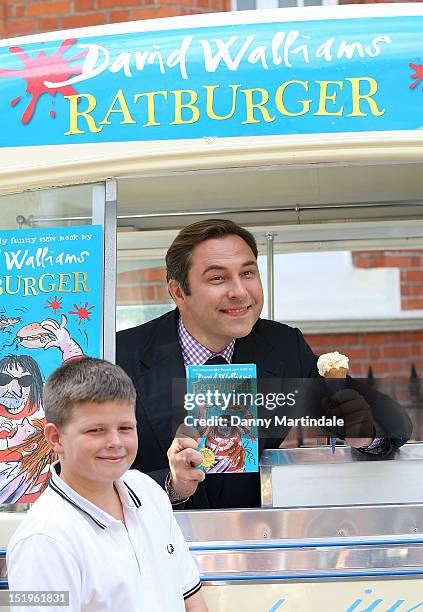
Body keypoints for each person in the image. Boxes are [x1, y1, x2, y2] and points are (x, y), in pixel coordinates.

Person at [116, 219, 412, 510]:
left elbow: (394, 422)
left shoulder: (282, 346)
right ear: (178, 292)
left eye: (247, 273)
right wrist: (171, 484)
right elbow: (80, 469)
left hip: (249, 542)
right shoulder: (122, 354)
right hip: (150, 543)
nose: (240, 292)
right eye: (217, 278)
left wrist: (366, 434)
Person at [7, 357, 207, 612]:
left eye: (125, 427)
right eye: (96, 430)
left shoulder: (148, 493)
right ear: (55, 438)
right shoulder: (42, 540)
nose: (115, 442)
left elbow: (192, 601)